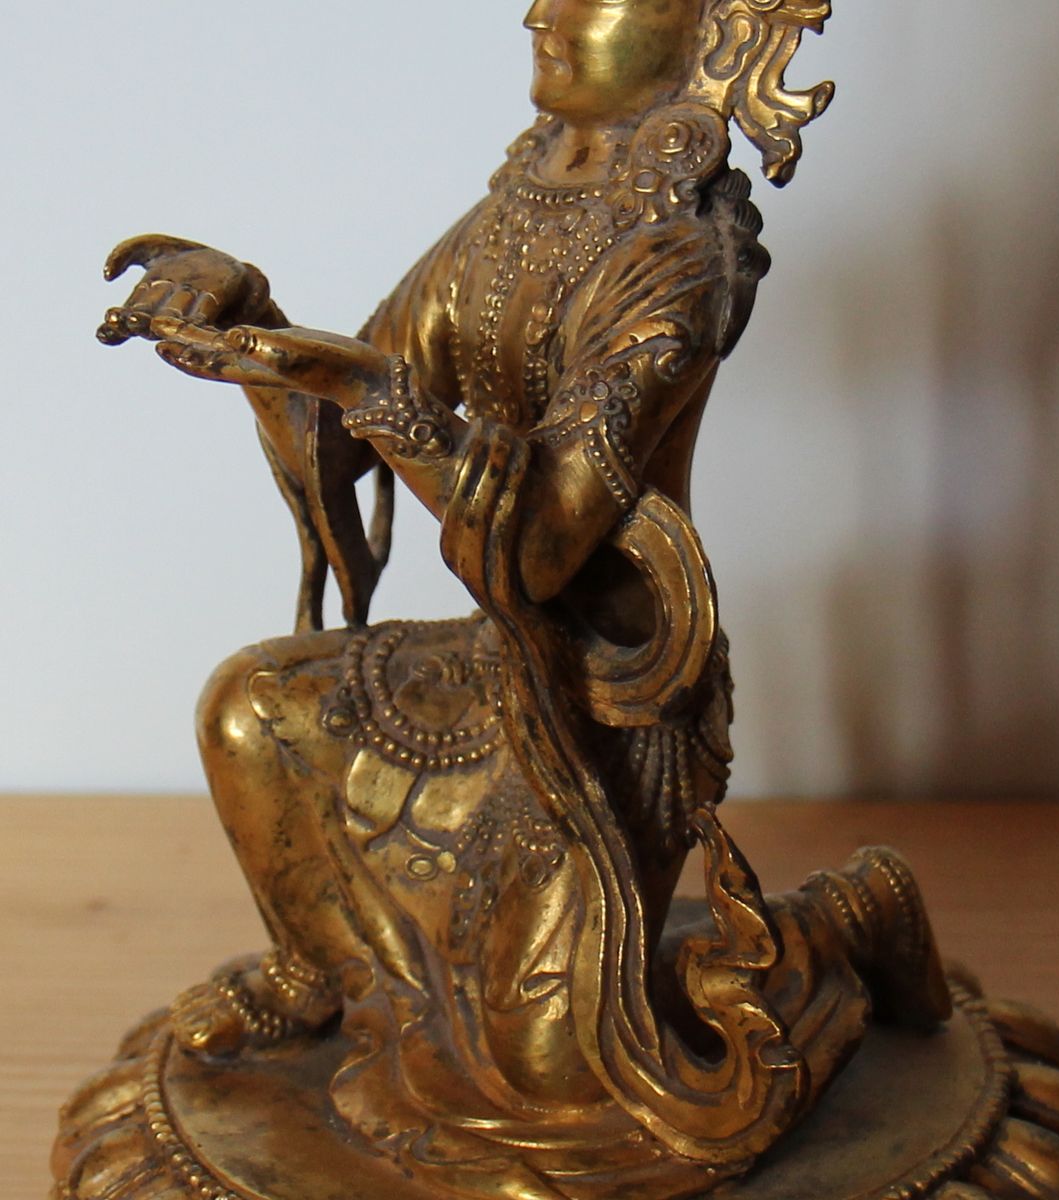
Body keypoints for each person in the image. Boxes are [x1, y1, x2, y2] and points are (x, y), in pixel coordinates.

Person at [95, 1, 948, 1194]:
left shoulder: (678, 264)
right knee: (248, 711)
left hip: (612, 693)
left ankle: (841, 921)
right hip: (497, 653)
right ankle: (324, 977)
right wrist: (247, 323)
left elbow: (543, 543)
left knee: (560, 1085)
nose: (542, 12)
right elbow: (344, 424)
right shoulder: (507, 224)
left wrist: (362, 383)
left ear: (701, 35)